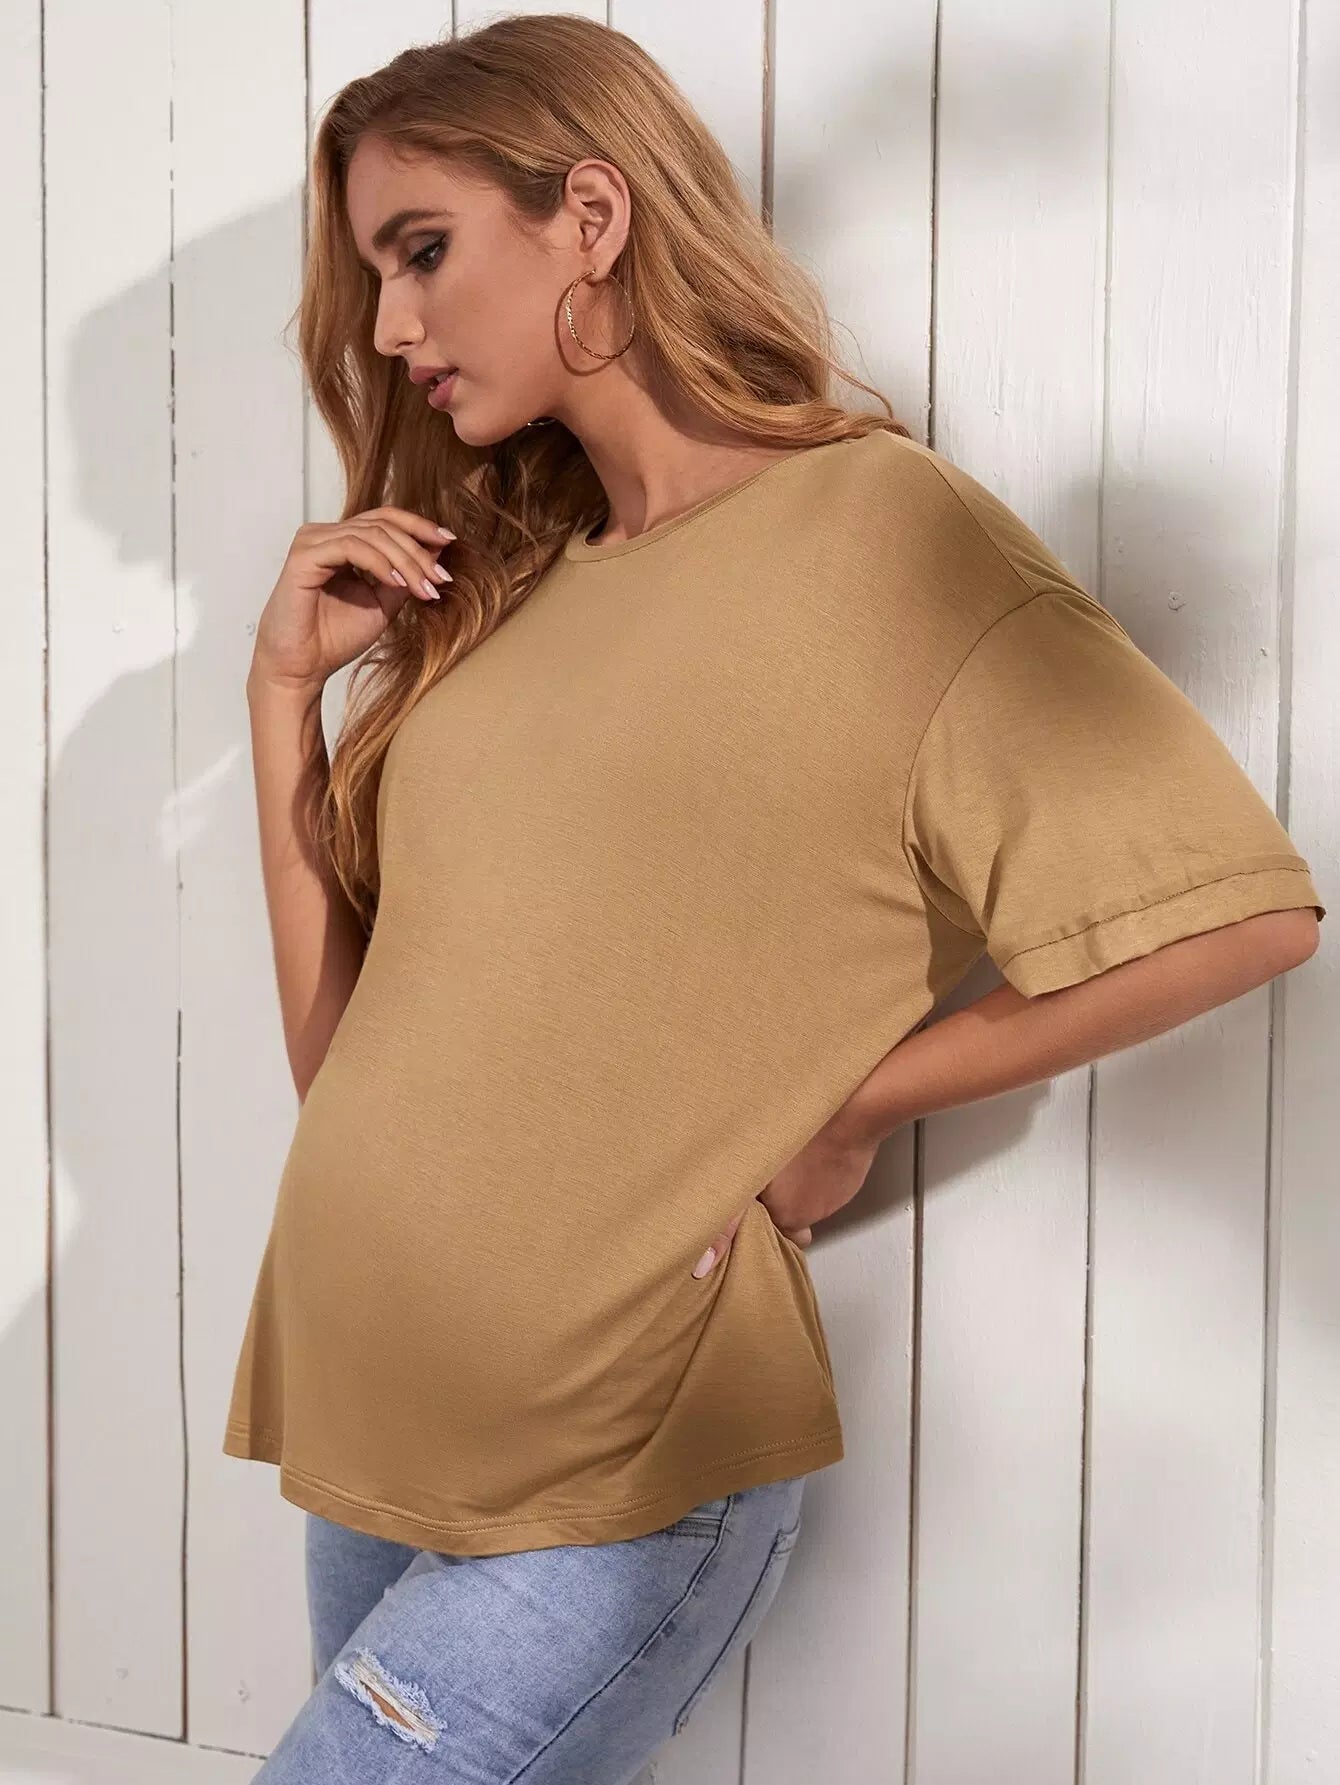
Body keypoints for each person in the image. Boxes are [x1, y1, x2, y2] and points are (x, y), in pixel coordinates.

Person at [221, 14, 1325, 1782]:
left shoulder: (888, 535)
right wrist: (282, 698)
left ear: (592, 214)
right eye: (373, 276)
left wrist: (856, 1099)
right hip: (378, 1408)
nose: (389, 327)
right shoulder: (510, 589)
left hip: (617, 1443)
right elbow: (344, 1074)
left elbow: (1238, 913)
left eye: (421, 250)